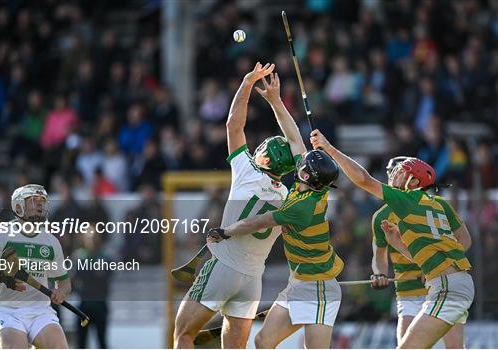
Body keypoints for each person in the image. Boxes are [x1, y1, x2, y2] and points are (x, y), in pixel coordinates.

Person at [206, 73, 343, 349]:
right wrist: (276, 101)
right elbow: (294, 137)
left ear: (305, 175)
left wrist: (226, 231)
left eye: (303, 166)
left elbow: (258, 222)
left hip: (319, 289)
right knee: (263, 341)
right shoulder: (310, 188)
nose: (300, 163)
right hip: (299, 283)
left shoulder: (299, 206)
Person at [310, 129, 473, 349]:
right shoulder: (438, 204)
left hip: (445, 285)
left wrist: (328, 148)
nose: (393, 175)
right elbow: (460, 241)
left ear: (413, 182)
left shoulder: (406, 200)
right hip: (450, 283)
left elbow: (363, 180)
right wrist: (399, 253)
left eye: (400, 172)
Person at [173, 63, 296, 349]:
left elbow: (233, 125)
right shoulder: (289, 195)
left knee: (183, 334)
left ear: (265, 159)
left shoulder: (246, 171)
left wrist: (247, 83)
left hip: (223, 267)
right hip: (253, 279)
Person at [371, 156, 464, 347]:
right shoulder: (381, 216)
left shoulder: (439, 205)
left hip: (443, 289)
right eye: (393, 173)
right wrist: (380, 274)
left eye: (398, 172)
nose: (393, 177)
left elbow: (463, 240)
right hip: (409, 294)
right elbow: (379, 256)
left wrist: (441, 267)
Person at [0, 184, 71, 349]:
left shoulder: (51, 241)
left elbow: (64, 282)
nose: (40, 204)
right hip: (7, 310)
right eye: (33, 200)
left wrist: (61, 292)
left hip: (40, 311)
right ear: (18, 206)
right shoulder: (0, 236)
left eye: (42, 201)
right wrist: (1, 277)